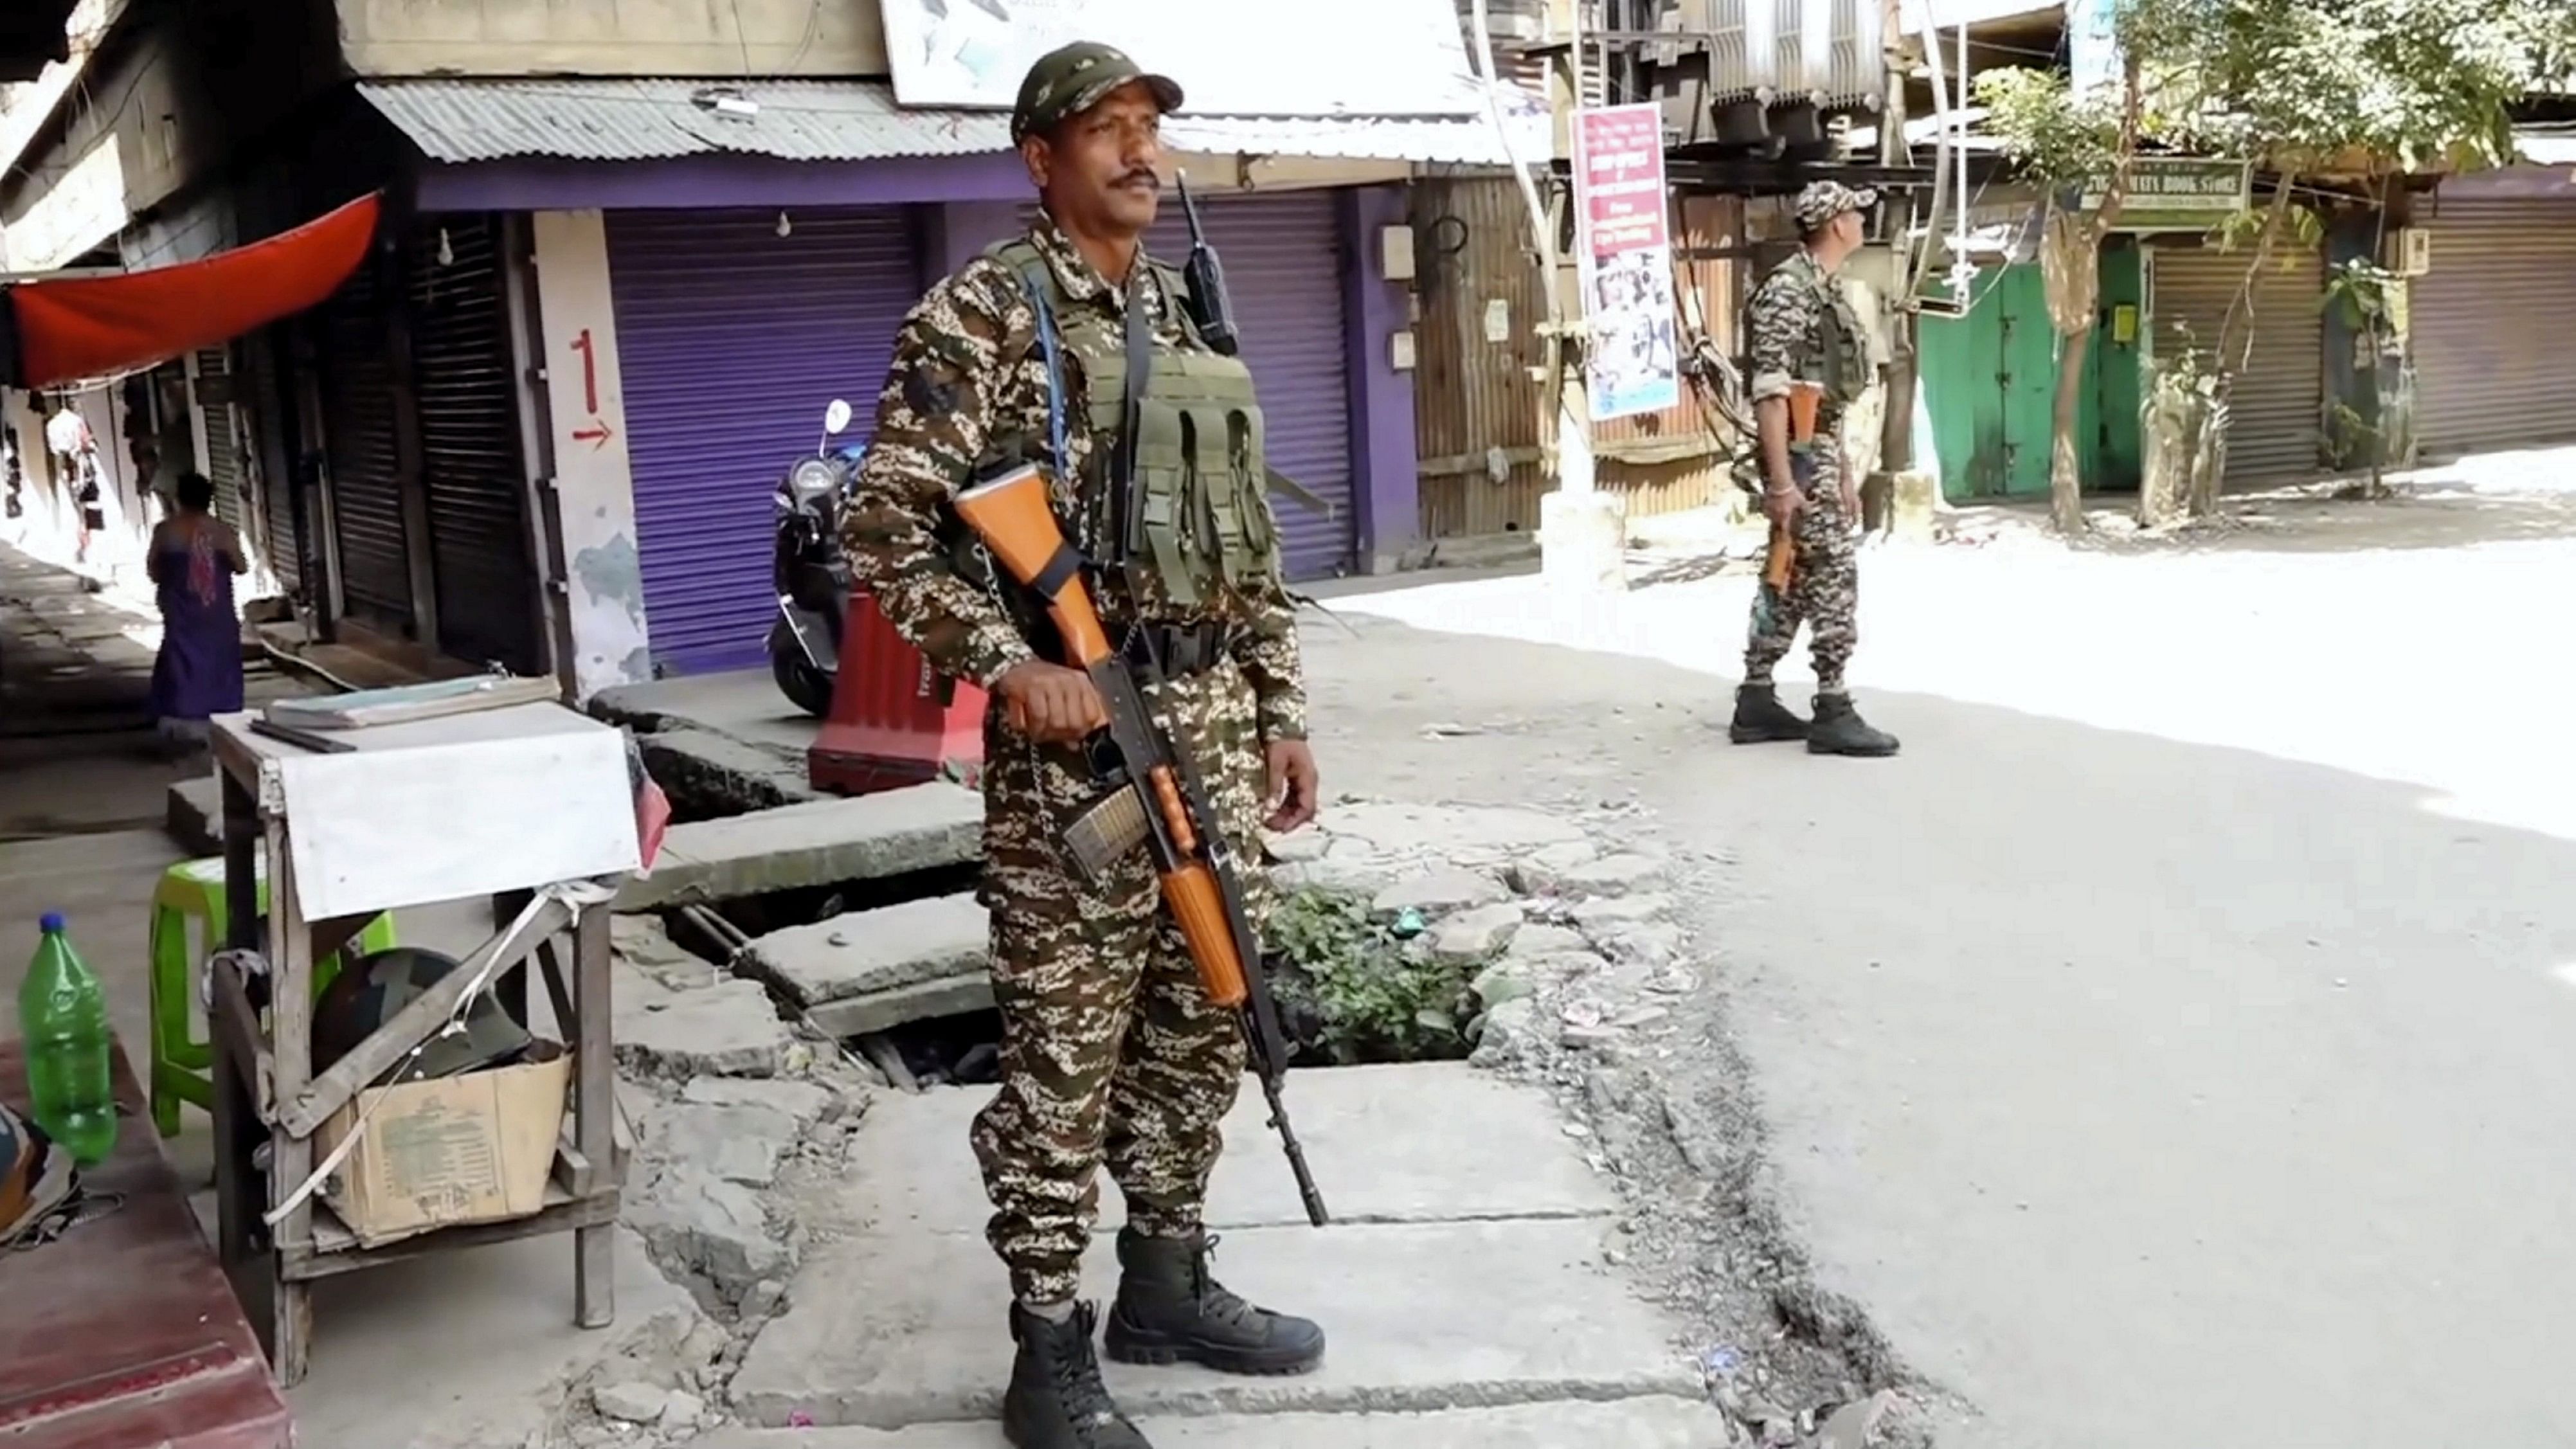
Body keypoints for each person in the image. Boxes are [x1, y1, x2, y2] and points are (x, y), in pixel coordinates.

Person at [836, 40, 1325, 1449]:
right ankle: (1045, 1340)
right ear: (1037, 159)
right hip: (1072, 746)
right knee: (1064, 1052)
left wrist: (1279, 705)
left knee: (1202, 1018)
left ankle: (1162, 1280)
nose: (1134, 152)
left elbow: (1246, 540)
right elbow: (883, 529)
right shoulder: (978, 316)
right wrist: (1004, 663)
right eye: (1099, 131)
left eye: (1144, 129)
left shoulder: (1181, 310)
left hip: (1211, 727)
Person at [1729, 180, 1901, 758]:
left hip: (1817, 447)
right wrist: (1782, 482)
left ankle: (1756, 697)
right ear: (1834, 224)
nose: (1860, 219)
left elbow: (1825, 397)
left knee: (1793, 574)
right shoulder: (1790, 290)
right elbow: (1770, 392)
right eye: (1854, 212)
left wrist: (1844, 473)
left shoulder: (1822, 288)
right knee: (1831, 571)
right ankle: (1832, 705)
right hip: (1799, 454)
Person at [145, 471, 246, 753]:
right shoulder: (221, 531)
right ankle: (222, 716)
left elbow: (153, 571)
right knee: (220, 661)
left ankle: (181, 717)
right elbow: (241, 566)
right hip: (216, 612)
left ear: (179, 498)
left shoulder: (166, 531)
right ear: (209, 500)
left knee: (181, 661)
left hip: (180, 610)